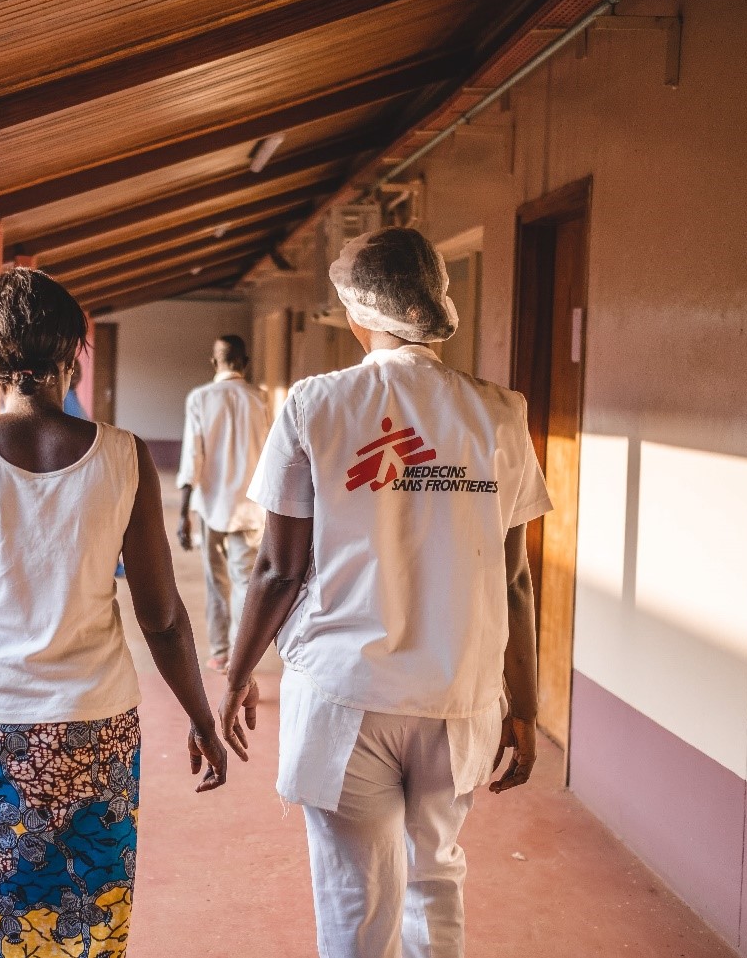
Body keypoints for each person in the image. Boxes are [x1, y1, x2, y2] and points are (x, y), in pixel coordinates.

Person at [219, 227, 552, 958]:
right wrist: (523, 705)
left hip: (346, 697)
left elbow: (276, 568)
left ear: (355, 311)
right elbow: (516, 575)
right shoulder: (500, 412)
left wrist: (237, 672)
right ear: (434, 303)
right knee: (435, 877)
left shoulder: (315, 404)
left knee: (354, 895)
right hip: (457, 696)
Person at [0, 268, 227, 958]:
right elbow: (162, 619)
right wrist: (201, 714)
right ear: (73, 350)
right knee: (86, 921)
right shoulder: (125, 456)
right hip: (93, 731)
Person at [175, 335, 271, 672]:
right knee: (245, 582)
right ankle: (242, 657)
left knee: (217, 582)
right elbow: (274, 457)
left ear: (215, 363)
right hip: (251, 508)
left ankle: (219, 652)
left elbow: (192, 457)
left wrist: (184, 512)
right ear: (245, 363)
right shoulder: (261, 399)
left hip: (212, 507)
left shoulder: (200, 398)